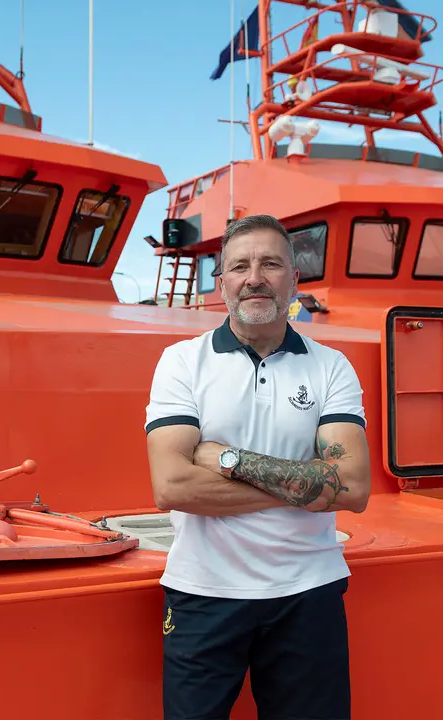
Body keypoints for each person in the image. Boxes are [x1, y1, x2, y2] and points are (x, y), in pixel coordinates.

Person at [144, 214, 371, 720]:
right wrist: (307, 484)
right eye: (240, 266)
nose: (255, 277)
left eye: (271, 263)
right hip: (204, 592)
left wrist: (230, 460)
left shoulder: (330, 366)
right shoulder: (182, 362)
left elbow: (353, 487)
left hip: (308, 593)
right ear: (221, 281)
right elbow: (173, 486)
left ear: (294, 277)